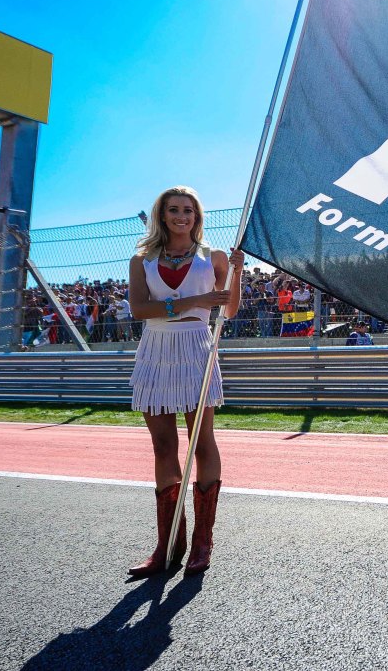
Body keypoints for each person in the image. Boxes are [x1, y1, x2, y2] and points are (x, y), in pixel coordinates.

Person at [126, 185, 243, 578]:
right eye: (174, 209)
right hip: (155, 349)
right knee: (163, 446)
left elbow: (228, 306)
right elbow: (139, 309)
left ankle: (202, 543)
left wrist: (237, 273)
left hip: (196, 346)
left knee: (201, 441)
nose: (181, 216)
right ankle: (168, 544)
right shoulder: (142, 259)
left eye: (188, 210)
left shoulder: (215, 256)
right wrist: (190, 301)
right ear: (162, 214)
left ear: (197, 216)